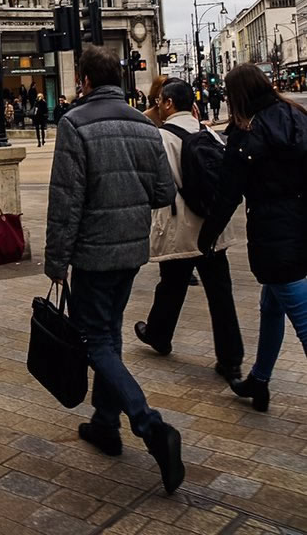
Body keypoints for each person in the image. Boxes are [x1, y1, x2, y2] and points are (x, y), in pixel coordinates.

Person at [45, 47, 184, 496]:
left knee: (95, 339)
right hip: (131, 251)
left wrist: (56, 261)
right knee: (110, 331)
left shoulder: (74, 124)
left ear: (84, 80)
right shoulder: (145, 123)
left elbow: (66, 201)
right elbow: (164, 192)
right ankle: (106, 423)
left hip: (93, 253)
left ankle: (149, 424)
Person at [198, 64, 307, 412]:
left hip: (276, 239)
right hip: (301, 227)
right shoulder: (297, 115)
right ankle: (259, 380)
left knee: (303, 320)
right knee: (270, 307)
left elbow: (227, 193)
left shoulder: (246, 134)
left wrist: (208, 236)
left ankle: (259, 381)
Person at [134, 79, 244, 381]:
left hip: (180, 225)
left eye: (160, 102)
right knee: (220, 294)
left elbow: (154, 186)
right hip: (212, 226)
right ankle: (231, 359)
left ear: (168, 103)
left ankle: (158, 334)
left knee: (171, 284)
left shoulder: (159, 138)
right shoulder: (207, 132)